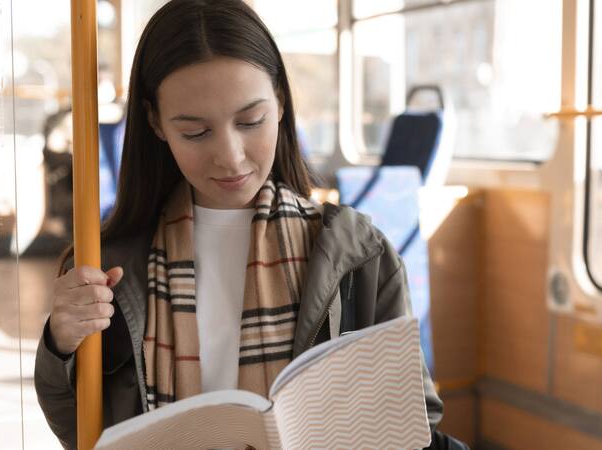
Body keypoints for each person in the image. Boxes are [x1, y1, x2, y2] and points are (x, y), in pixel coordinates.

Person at [33, 1, 464, 449]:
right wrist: (60, 342)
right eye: (196, 132)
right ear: (156, 122)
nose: (231, 156)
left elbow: (413, 422)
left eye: (250, 121)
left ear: (279, 101)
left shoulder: (360, 254)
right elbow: (79, 431)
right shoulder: (110, 268)